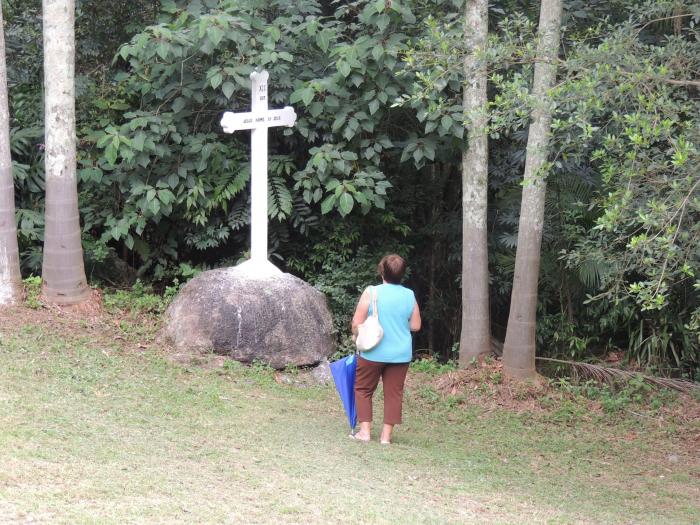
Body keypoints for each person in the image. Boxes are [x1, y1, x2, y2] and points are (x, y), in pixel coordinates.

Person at [350, 254, 421, 444]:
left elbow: (356, 323)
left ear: (382, 271)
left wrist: (356, 334)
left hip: (373, 352)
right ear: (402, 274)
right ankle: (385, 437)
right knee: (394, 394)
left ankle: (364, 432)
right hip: (400, 354)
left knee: (363, 389)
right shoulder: (409, 295)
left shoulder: (372, 292)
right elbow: (415, 325)